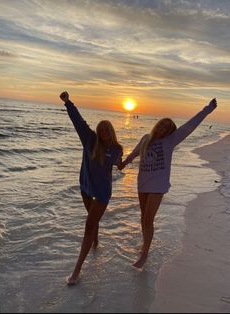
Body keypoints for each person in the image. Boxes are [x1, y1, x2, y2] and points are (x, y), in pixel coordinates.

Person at [118, 98, 217, 269]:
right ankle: (144, 245)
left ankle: (145, 254)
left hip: (158, 185)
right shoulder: (145, 138)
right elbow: (134, 154)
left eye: (166, 127)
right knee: (143, 218)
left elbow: (189, 126)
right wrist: (123, 163)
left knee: (148, 219)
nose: (161, 128)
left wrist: (207, 109)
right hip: (142, 183)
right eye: (161, 125)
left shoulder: (170, 141)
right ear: (156, 125)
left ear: (169, 132)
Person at [60, 91, 123, 285]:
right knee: (92, 222)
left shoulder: (117, 148)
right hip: (86, 187)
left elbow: (118, 163)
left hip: (102, 193)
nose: (104, 133)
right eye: (101, 129)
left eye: (107, 130)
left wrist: (123, 163)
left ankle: (76, 270)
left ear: (111, 132)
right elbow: (78, 121)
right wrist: (68, 102)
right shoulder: (89, 138)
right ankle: (95, 241)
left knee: (88, 225)